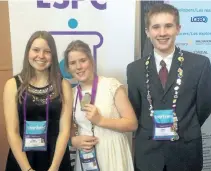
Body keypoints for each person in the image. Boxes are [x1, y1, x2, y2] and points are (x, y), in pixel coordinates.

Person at [127, 3, 211, 171]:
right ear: (147, 32)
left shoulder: (199, 64)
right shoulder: (134, 69)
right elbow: (135, 109)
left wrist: (186, 126)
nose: (162, 33)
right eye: (156, 27)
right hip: (148, 155)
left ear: (178, 28)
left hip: (186, 152)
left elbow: (204, 106)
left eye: (168, 26)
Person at [3, 31, 73, 171]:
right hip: (23, 158)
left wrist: (54, 168)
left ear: (52, 55)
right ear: (28, 51)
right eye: (36, 50)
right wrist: (27, 169)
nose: (41, 56)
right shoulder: (12, 85)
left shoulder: (63, 85)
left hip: (55, 158)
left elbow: (64, 131)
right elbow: (12, 132)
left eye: (47, 51)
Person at [64, 40, 137, 171]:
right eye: (73, 63)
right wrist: (74, 141)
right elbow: (66, 129)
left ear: (91, 61)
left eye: (82, 60)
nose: (78, 66)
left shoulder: (111, 85)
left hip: (114, 154)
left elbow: (132, 124)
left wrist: (100, 120)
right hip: (86, 158)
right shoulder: (71, 94)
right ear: (68, 69)